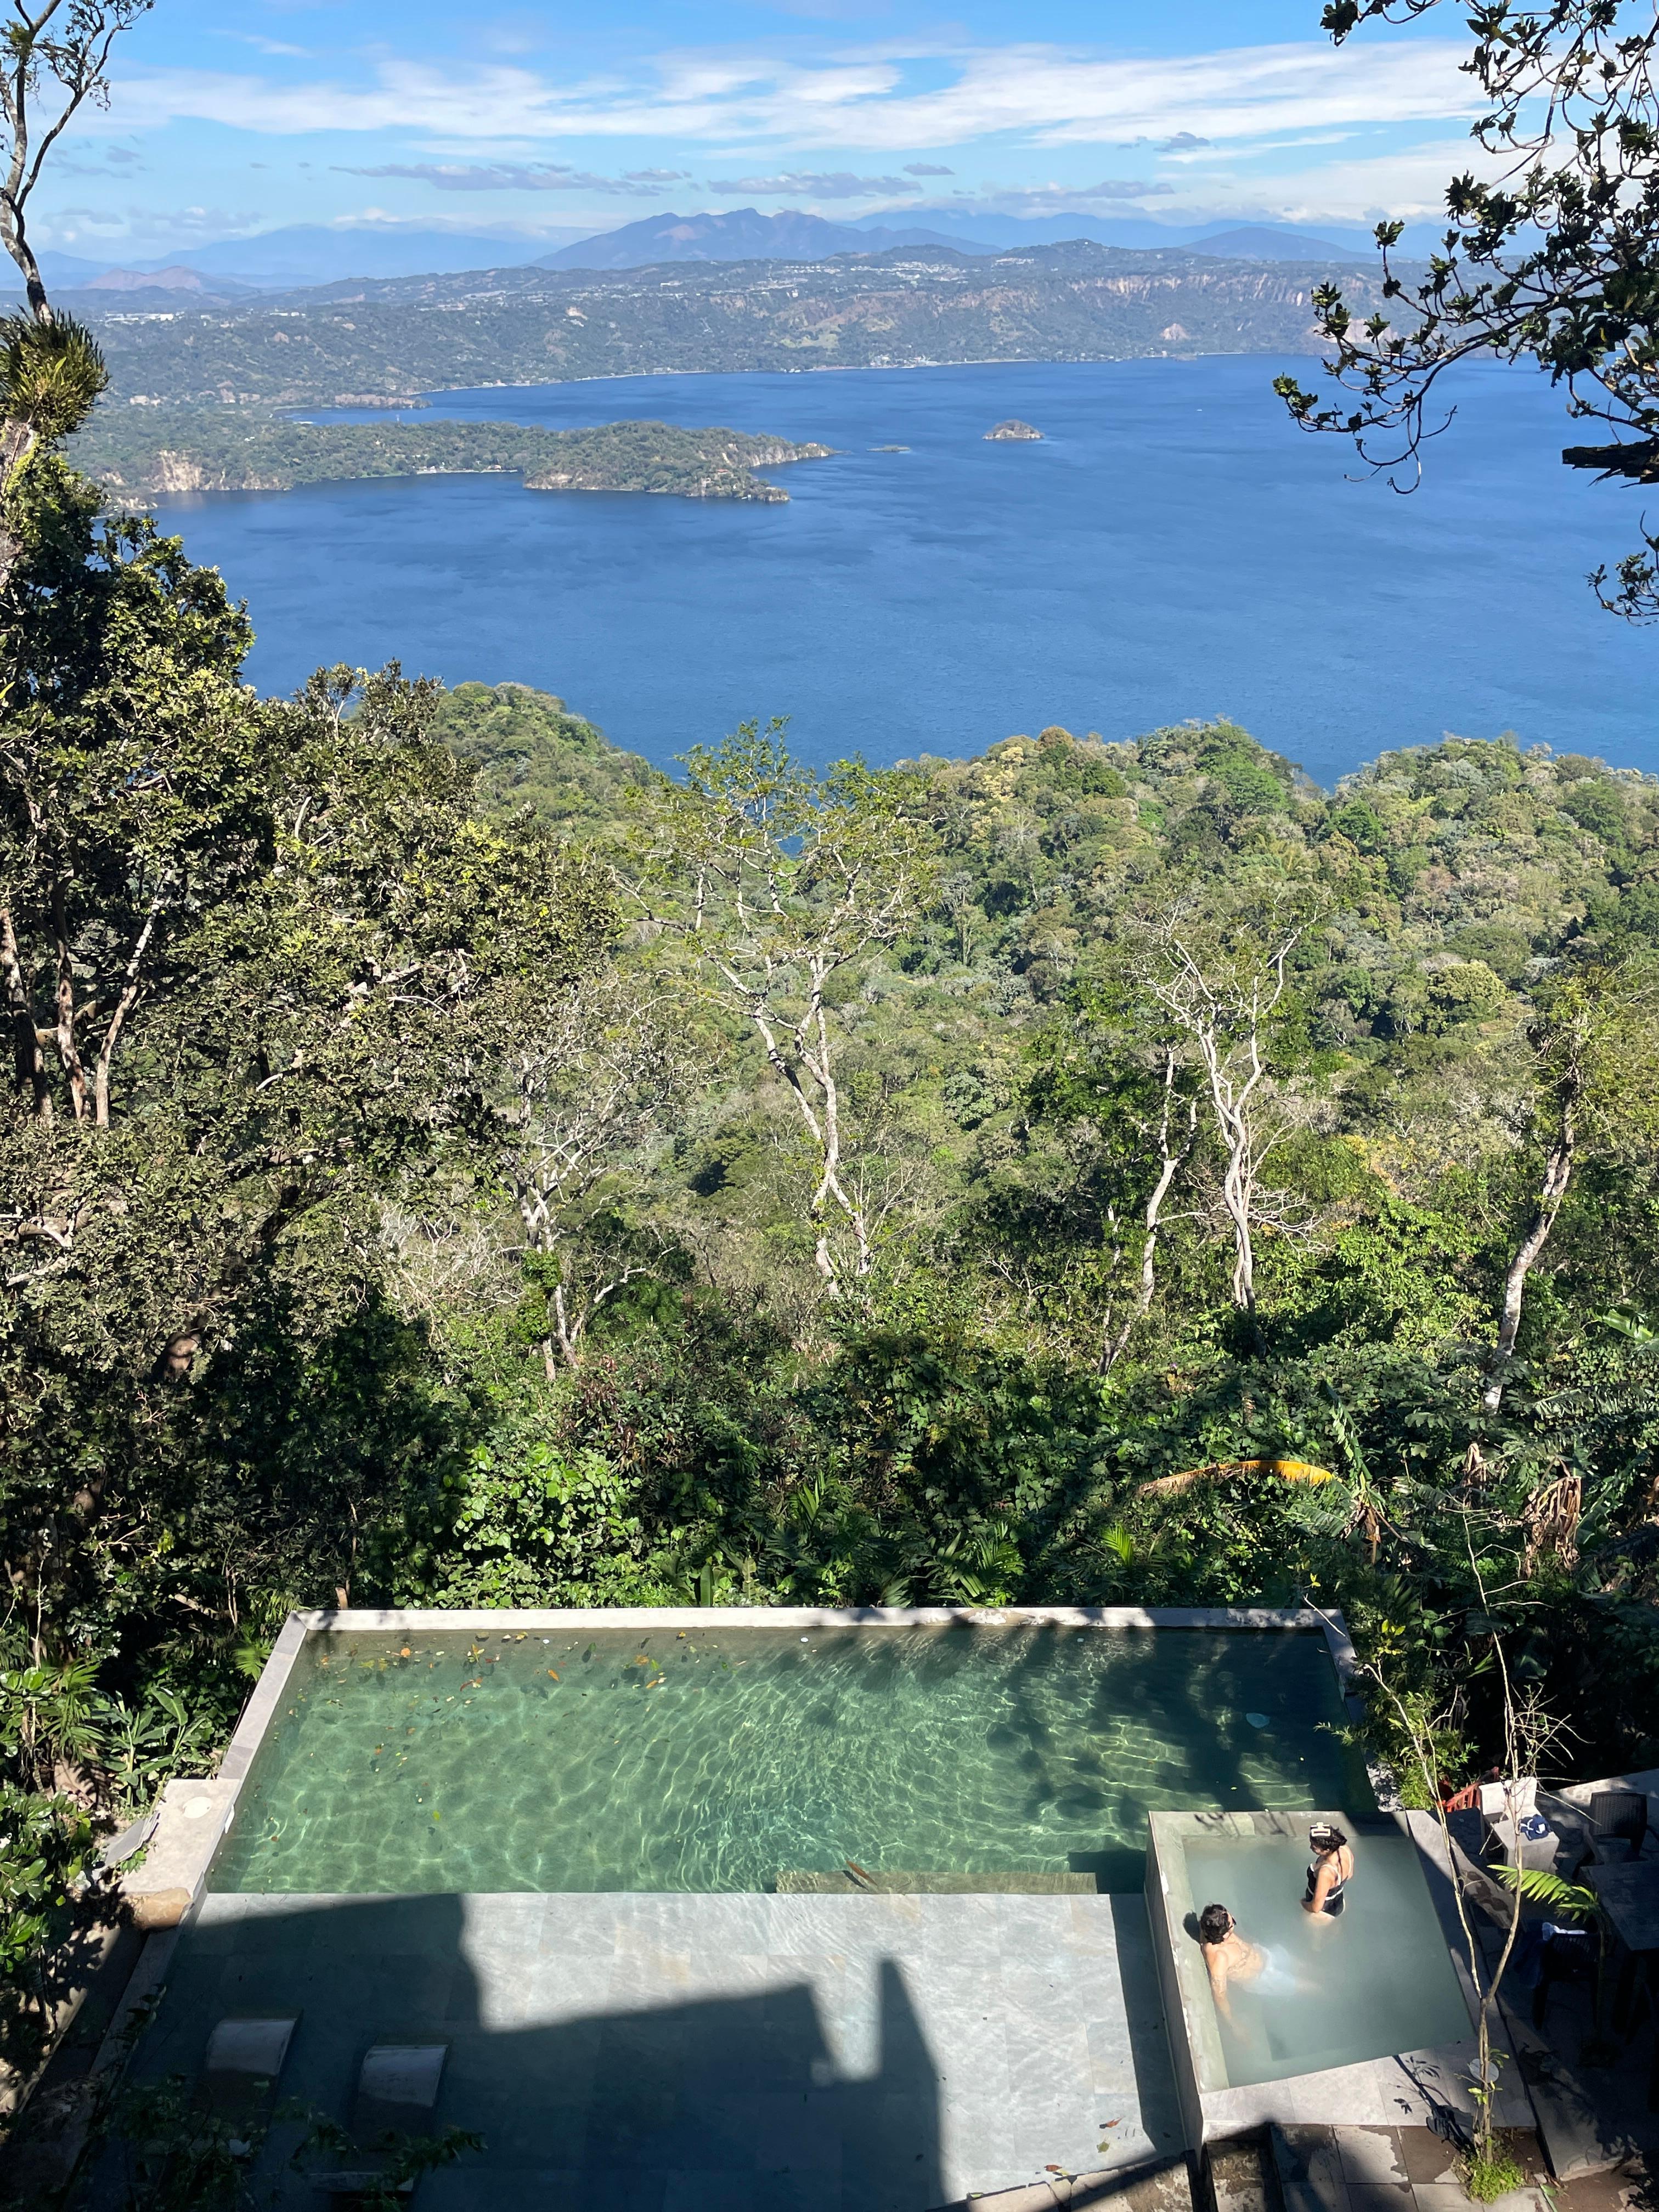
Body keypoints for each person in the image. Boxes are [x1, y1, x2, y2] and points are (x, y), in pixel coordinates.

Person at [1195, 1901, 1297, 2020]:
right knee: (1305, 1986)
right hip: (1263, 1977)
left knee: (1302, 1966)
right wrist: (1233, 2023)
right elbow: (1220, 1994)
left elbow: (1242, 1943)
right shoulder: (1219, 1958)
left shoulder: (1213, 1928)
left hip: (1263, 1954)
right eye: (1233, 1923)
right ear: (1225, 1935)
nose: (1233, 1920)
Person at [1302, 1821, 1354, 1918]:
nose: (1310, 1848)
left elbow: (1315, 1908)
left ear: (1327, 1850)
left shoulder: (1326, 1872)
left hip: (1323, 1913)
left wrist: (1302, 1903)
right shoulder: (1345, 1849)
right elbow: (1350, 1875)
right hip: (1339, 1901)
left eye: (1314, 1847)